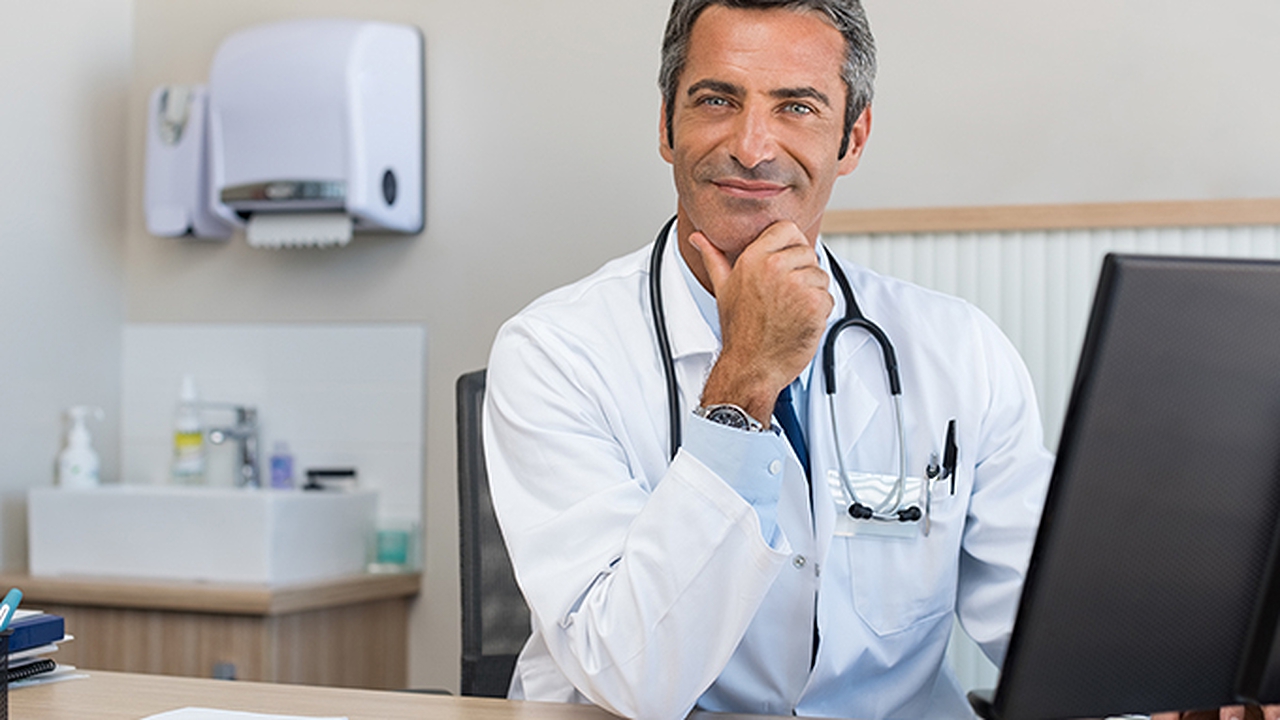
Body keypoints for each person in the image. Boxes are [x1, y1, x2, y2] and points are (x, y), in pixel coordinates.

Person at [484, 2, 1270, 719]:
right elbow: (634, 679)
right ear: (666, 125)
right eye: (717, 100)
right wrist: (743, 385)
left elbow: (1050, 629)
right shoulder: (556, 354)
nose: (751, 147)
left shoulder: (956, 351)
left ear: (852, 138)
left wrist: (1179, 692)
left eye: (797, 107)